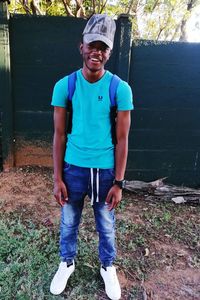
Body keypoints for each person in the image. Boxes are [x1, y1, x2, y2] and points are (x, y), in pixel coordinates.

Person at [50, 13, 133, 300]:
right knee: (69, 221)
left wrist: (119, 183)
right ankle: (67, 262)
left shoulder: (119, 89)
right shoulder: (65, 86)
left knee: (106, 226)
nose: (96, 51)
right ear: (81, 47)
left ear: (109, 52)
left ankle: (107, 267)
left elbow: (122, 139)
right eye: (92, 45)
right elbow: (59, 135)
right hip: (73, 167)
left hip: (105, 171)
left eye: (103, 47)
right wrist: (58, 177)